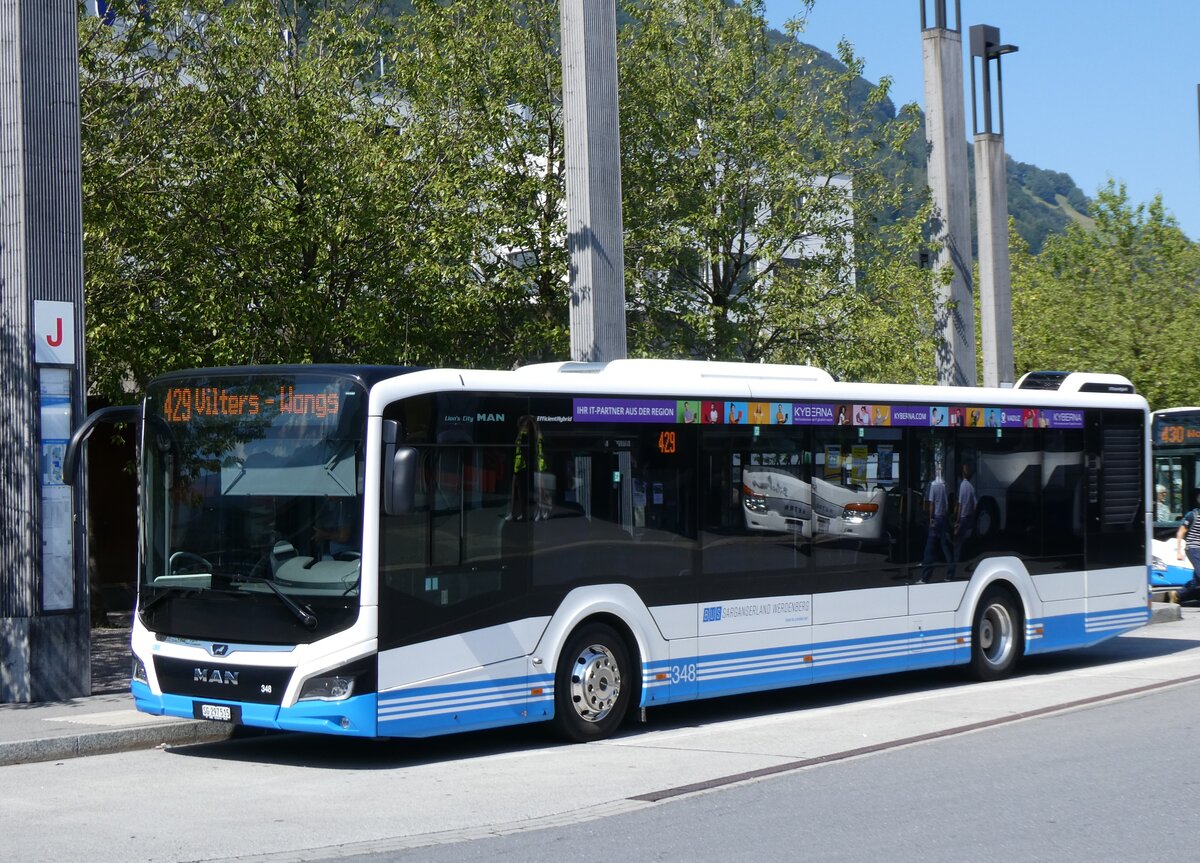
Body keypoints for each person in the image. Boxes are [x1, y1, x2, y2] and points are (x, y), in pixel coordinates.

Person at [920, 467, 951, 582]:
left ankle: (925, 577)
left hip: (936, 518)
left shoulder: (933, 485)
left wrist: (931, 518)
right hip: (942, 518)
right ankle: (950, 573)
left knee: (930, 548)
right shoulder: (943, 485)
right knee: (945, 546)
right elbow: (947, 504)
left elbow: (931, 503)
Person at [948, 462, 976, 579]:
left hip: (962, 519)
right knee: (963, 543)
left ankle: (952, 573)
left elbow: (959, 504)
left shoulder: (962, 486)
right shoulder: (971, 487)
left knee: (956, 547)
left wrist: (957, 520)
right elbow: (974, 505)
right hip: (968, 518)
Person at [1174, 493, 1200, 604]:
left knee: (1196, 580)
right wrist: (1179, 551)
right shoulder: (1192, 515)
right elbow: (1180, 532)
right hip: (1193, 548)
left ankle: (1177, 595)